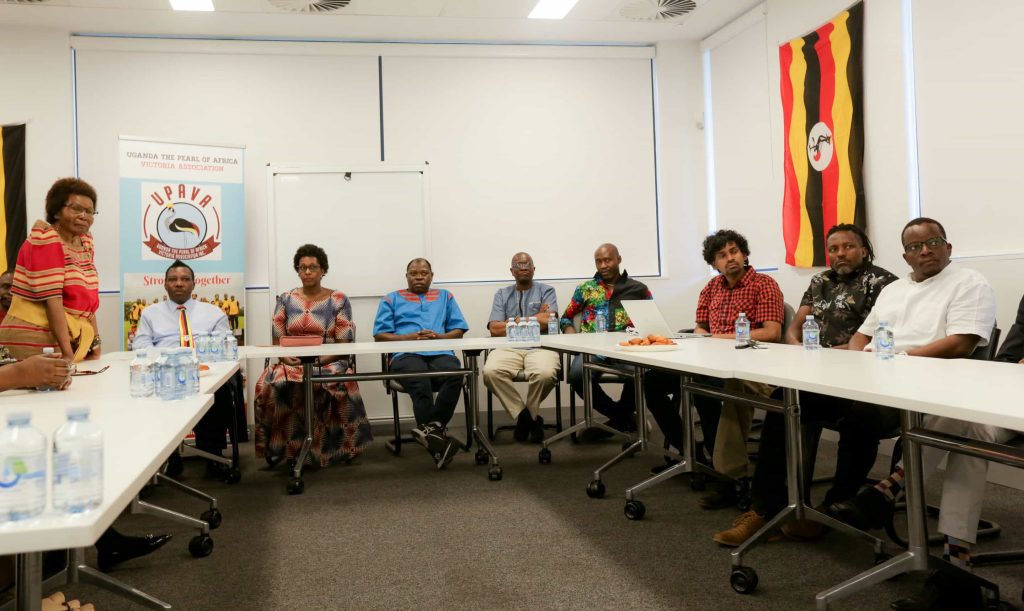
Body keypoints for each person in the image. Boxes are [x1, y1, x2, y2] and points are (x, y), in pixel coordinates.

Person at [825, 218, 999, 610]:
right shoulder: (893, 290)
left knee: (961, 422)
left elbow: (961, 345)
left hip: (937, 388)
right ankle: (957, 569)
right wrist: (858, 362)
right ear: (905, 256)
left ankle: (889, 489)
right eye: (915, 246)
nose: (925, 250)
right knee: (797, 404)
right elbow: (861, 337)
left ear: (948, 247)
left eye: (933, 242)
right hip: (884, 384)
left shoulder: (969, 282)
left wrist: (899, 359)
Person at [711, 224, 899, 546]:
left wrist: (828, 356)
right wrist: (799, 347)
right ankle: (765, 509)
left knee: (862, 417)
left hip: (863, 380)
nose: (840, 254)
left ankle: (833, 508)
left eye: (848, 247)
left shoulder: (883, 283)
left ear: (864, 250)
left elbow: (876, 339)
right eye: (834, 249)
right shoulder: (820, 281)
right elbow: (794, 328)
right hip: (818, 375)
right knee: (783, 401)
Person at [644, 229, 783, 510]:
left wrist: (715, 339)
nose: (730, 258)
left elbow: (771, 333)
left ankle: (725, 474)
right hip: (710, 361)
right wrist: (702, 339)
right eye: (722, 255)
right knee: (653, 382)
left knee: (702, 387)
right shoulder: (711, 288)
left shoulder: (764, 284)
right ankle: (690, 451)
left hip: (747, 365)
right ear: (714, 263)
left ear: (744, 254)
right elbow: (700, 328)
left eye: (734, 251)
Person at [255, 244, 373, 467]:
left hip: (329, 361)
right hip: (291, 361)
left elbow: (343, 343)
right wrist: (285, 359)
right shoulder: (286, 299)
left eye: (313, 267)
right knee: (271, 383)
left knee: (318, 383)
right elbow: (277, 340)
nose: (307, 272)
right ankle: (287, 449)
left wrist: (319, 360)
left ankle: (323, 450)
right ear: (298, 271)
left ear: (323, 270)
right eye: (302, 268)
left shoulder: (338, 299)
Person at [133, 260, 237, 476]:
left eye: (184, 279)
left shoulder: (214, 312)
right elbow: (141, 346)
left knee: (217, 393)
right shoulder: (150, 313)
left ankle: (213, 455)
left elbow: (223, 348)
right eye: (173, 279)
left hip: (205, 374)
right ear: (165, 284)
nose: (179, 283)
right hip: (163, 375)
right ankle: (168, 458)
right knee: (147, 395)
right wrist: (173, 359)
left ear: (193, 284)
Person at [373, 258, 469, 468]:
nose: (418, 277)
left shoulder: (445, 296)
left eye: (424, 273)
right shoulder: (391, 299)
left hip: (439, 351)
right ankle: (437, 440)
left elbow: (458, 330)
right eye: (413, 273)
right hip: (405, 354)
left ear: (431, 276)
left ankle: (431, 430)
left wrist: (439, 337)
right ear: (406, 276)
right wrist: (409, 337)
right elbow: (380, 335)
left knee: (456, 373)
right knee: (421, 379)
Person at [0, 178, 101, 362]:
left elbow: (88, 303)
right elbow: (52, 300)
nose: (84, 216)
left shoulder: (85, 242)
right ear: (56, 211)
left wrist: (94, 344)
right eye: (77, 208)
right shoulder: (46, 239)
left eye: (89, 211)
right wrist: (67, 354)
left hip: (67, 340)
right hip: (35, 339)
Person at [560, 243, 652, 440]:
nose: (603, 265)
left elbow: (651, 321)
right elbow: (565, 318)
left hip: (626, 348)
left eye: (608, 260)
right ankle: (622, 417)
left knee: (643, 373)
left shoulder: (638, 289)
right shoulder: (585, 289)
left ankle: (617, 422)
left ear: (619, 259)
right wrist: (571, 335)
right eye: (598, 261)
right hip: (593, 348)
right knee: (576, 376)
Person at [482, 252, 561, 442]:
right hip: (508, 347)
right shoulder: (502, 294)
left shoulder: (547, 290)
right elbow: (494, 329)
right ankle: (527, 417)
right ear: (512, 271)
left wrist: (515, 321)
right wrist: (536, 318)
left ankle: (527, 418)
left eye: (527, 264)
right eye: (518, 265)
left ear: (534, 269)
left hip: (541, 346)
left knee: (545, 374)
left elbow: (549, 321)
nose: (523, 267)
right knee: (491, 372)